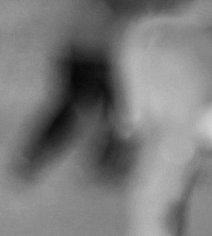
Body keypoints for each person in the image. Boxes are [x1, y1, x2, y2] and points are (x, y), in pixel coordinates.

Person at [12, 0, 183, 181]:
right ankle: (34, 159)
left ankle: (110, 169)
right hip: (91, 51)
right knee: (84, 109)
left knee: (118, 116)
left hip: (105, 51)